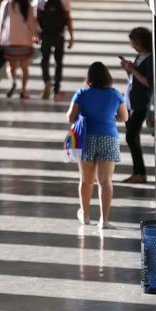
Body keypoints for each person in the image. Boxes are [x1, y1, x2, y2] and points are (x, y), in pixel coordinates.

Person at [67, 61, 127, 229]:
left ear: (89, 77)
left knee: (86, 180)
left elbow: (70, 117)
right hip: (108, 138)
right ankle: (104, 220)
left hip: (87, 139)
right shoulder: (115, 95)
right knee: (106, 181)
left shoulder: (81, 94)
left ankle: (85, 216)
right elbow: (124, 117)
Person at [33, 0, 74, 101]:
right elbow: (68, 18)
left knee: (44, 60)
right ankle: (56, 90)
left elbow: (36, 16)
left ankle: (47, 82)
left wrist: (35, 33)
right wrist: (72, 36)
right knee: (58, 62)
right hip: (59, 35)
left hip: (45, 34)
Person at [119, 26, 154, 184]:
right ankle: (138, 172)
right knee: (132, 137)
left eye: (134, 42)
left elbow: (148, 82)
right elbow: (134, 78)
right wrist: (129, 69)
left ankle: (140, 173)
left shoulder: (149, 60)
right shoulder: (140, 57)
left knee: (131, 137)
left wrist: (133, 69)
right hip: (131, 102)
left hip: (141, 104)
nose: (132, 45)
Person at [0, 0, 38, 99]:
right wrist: (35, 36)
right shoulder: (27, 5)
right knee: (25, 67)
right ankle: (24, 90)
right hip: (25, 41)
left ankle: (13, 82)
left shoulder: (6, 4)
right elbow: (32, 23)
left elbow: (1, 23)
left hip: (10, 41)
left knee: (11, 66)